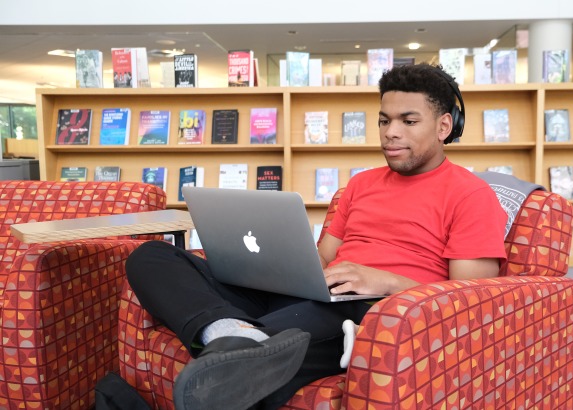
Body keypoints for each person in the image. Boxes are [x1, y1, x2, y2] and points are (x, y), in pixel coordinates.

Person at [125, 63, 508, 410]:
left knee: (309, 323)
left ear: (444, 126)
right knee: (151, 257)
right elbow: (325, 258)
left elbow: (469, 299)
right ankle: (234, 335)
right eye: (383, 120)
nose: (390, 133)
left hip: (374, 308)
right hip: (317, 295)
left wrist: (386, 281)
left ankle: (247, 351)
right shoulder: (361, 184)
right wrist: (275, 267)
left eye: (408, 121)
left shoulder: (470, 194)